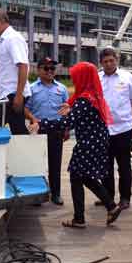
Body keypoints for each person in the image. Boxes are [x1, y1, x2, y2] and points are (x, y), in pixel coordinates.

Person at [30, 62, 116, 228]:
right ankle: (110, 206)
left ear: (82, 78)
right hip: (96, 140)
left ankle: (81, 218)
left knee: (77, 176)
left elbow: (67, 122)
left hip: (88, 143)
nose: (74, 81)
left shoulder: (84, 100)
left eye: (76, 77)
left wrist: (42, 124)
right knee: (84, 176)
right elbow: (78, 115)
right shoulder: (93, 95)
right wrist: (70, 107)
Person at [96, 47, 132, 219]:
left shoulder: (127, 77)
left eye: (111, 60)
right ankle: (108, 198)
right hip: (103, 129)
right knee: (105, 166)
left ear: (117, 60)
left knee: (124, 166)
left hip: (123, 128)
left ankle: (125, 198)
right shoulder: (97, 78)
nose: (109, 64)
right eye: (105, 61)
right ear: (101, 63)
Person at [26, 57, 70, 205]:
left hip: (57, 130)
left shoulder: (62, 88)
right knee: (37, 163)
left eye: (52, 69)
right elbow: (25, 108)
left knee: (55, 164)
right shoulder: (32, 89)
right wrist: (33, 118)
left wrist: (66, 129)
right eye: (46, 68)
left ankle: (56, 194)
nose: (50, 71)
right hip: (39, 129)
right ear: (38, 70)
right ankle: (38, 194)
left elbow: (66, 109)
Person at [0, 9, 31, 134]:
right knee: (18, 129)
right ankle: (30, 151)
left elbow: (23, 66)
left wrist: (19, 96)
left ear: (1, 22)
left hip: (12, 94)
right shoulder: (5, 39)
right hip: (10, 93)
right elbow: (9, 68)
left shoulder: (12, 38)